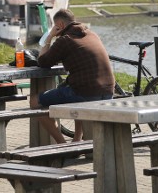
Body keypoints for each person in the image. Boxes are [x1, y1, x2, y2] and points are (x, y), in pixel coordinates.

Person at [32, 9, 115, 142]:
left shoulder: (65, 40)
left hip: (87, 93)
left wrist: (50, 37)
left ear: (60, 25)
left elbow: (42, 62)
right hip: (108, 91)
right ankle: (76, 140)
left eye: (55, 26)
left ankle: (62, 145)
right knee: (76, 93)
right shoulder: (92, 34)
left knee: (35, 101)